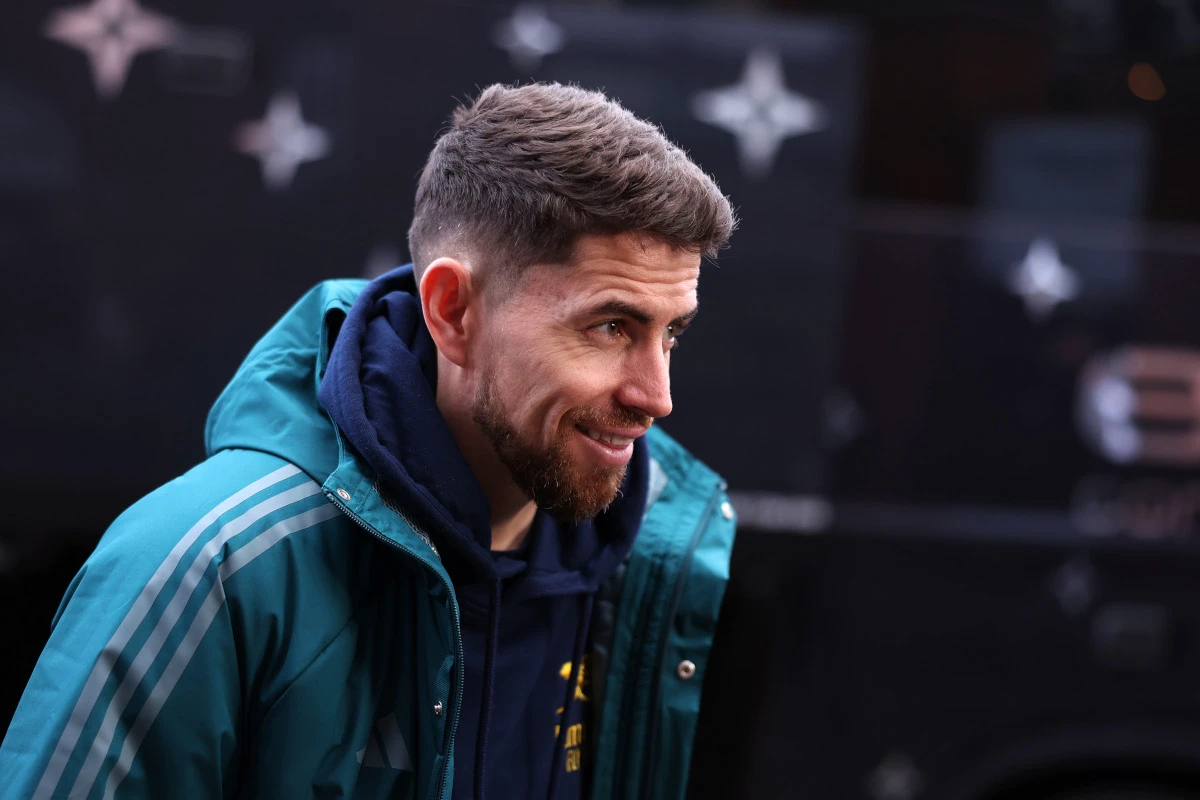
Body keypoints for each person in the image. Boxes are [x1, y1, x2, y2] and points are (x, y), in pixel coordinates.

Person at [0, 82, 738, 800]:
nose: (656, 397)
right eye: (611, 327)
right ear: (453, 312)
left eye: (671, 333)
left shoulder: (654, 555)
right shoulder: (209, 571)